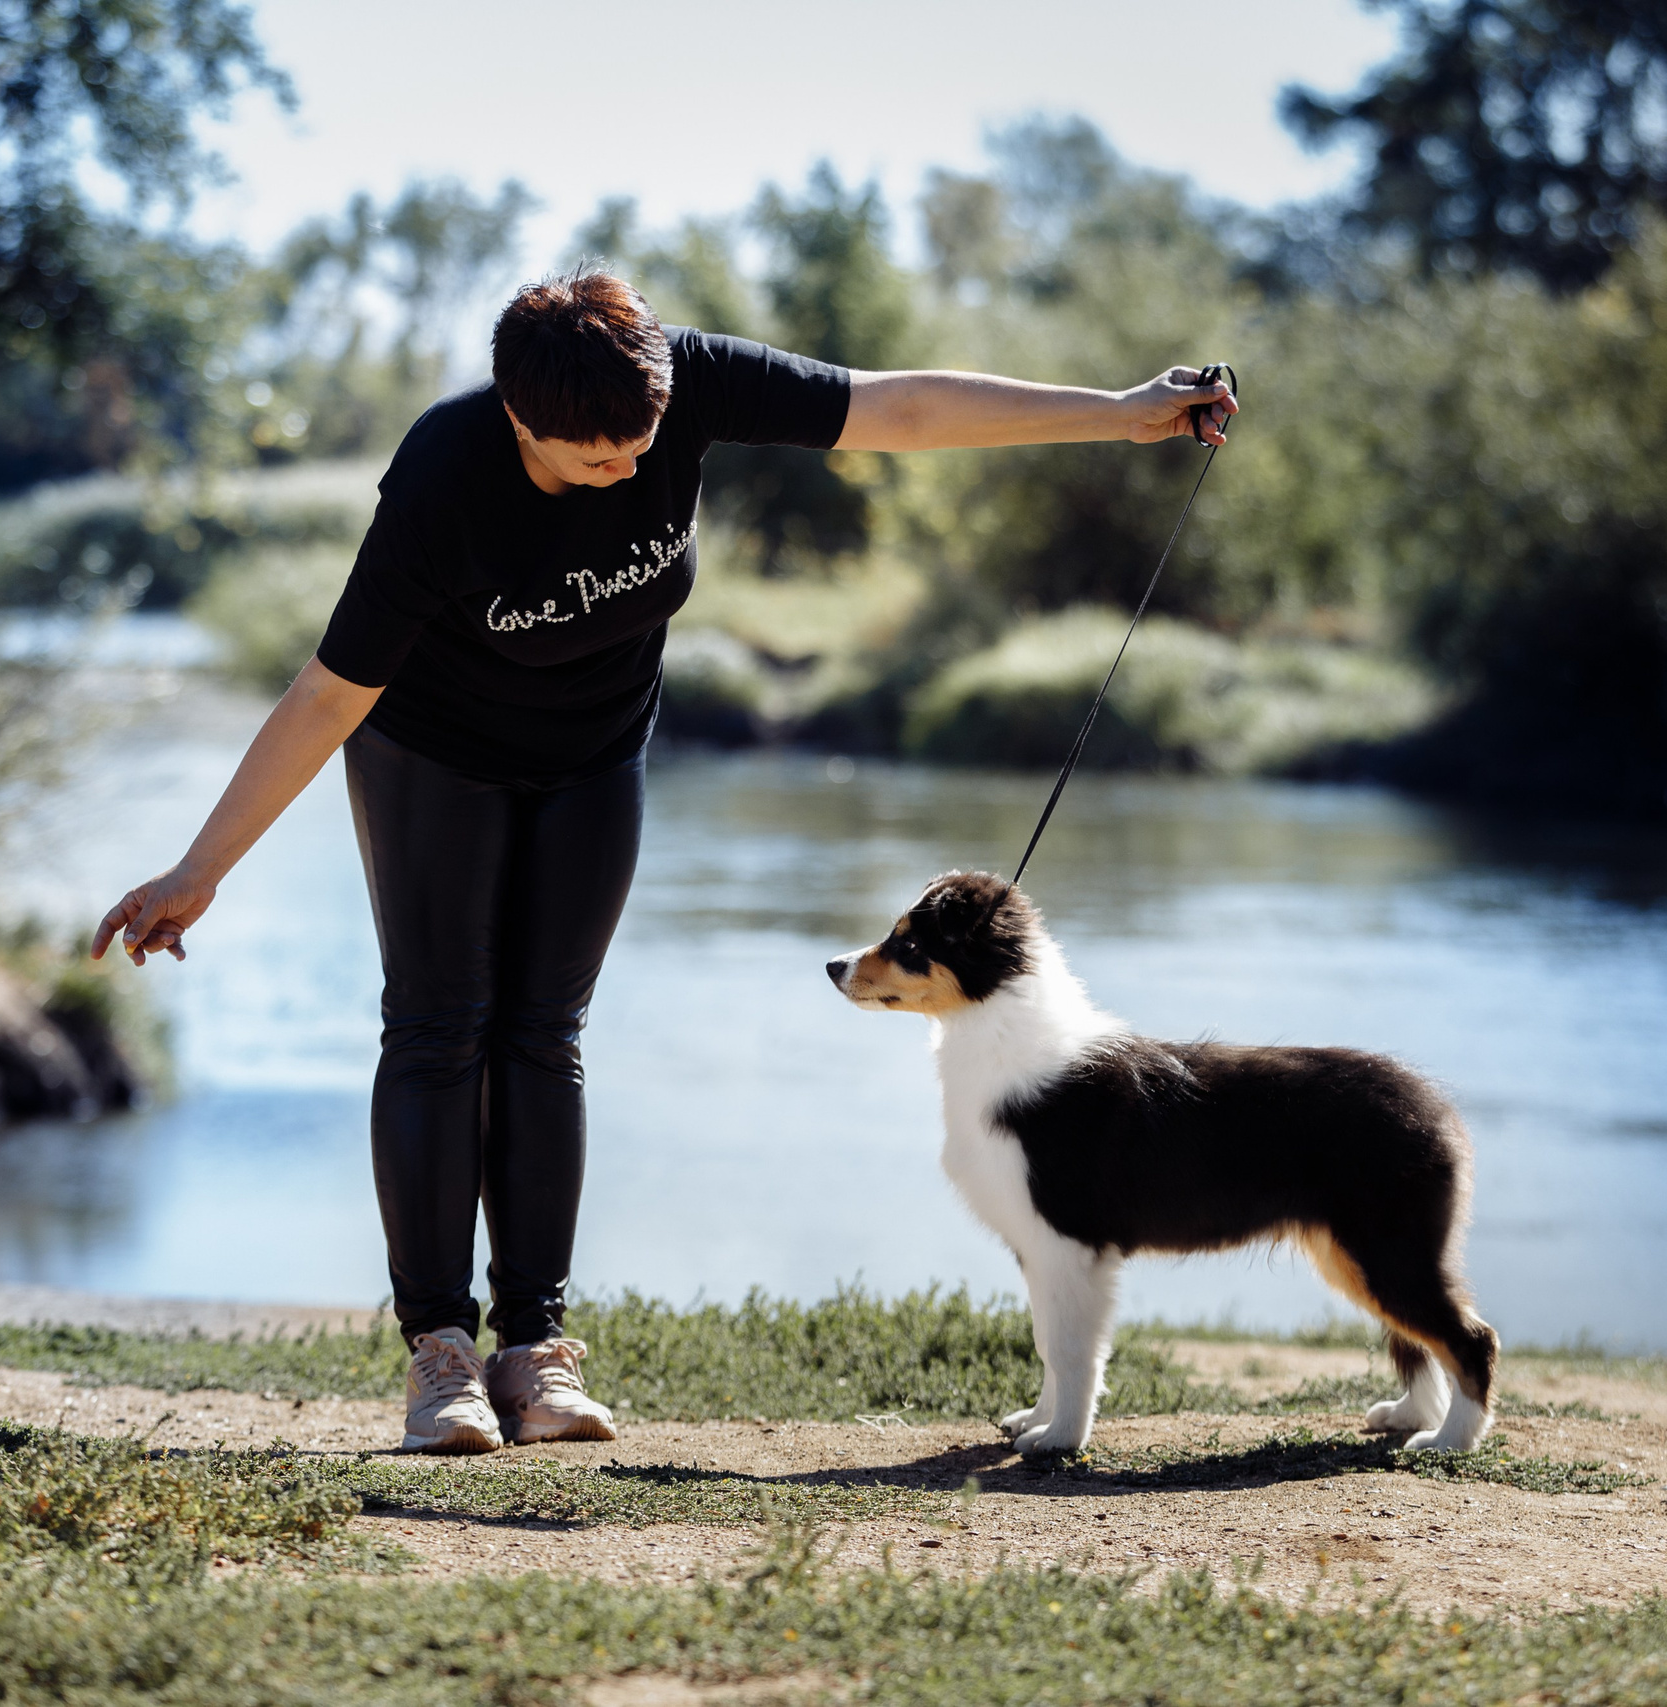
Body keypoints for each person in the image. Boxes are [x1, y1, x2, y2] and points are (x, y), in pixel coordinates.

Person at [90, 268, 1235, 1454]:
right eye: (596, 459)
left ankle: (535, 1350)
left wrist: (1121, 413)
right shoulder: (442, 479)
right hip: (434, 754)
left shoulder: (686, 385)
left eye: (642, 447)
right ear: (519, 417)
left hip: (594, 752)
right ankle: (441, 1355)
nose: (627, 471)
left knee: (546, 1031)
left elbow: (896, 409)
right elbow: (330, 693)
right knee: (438, 1027)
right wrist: (200, 869)